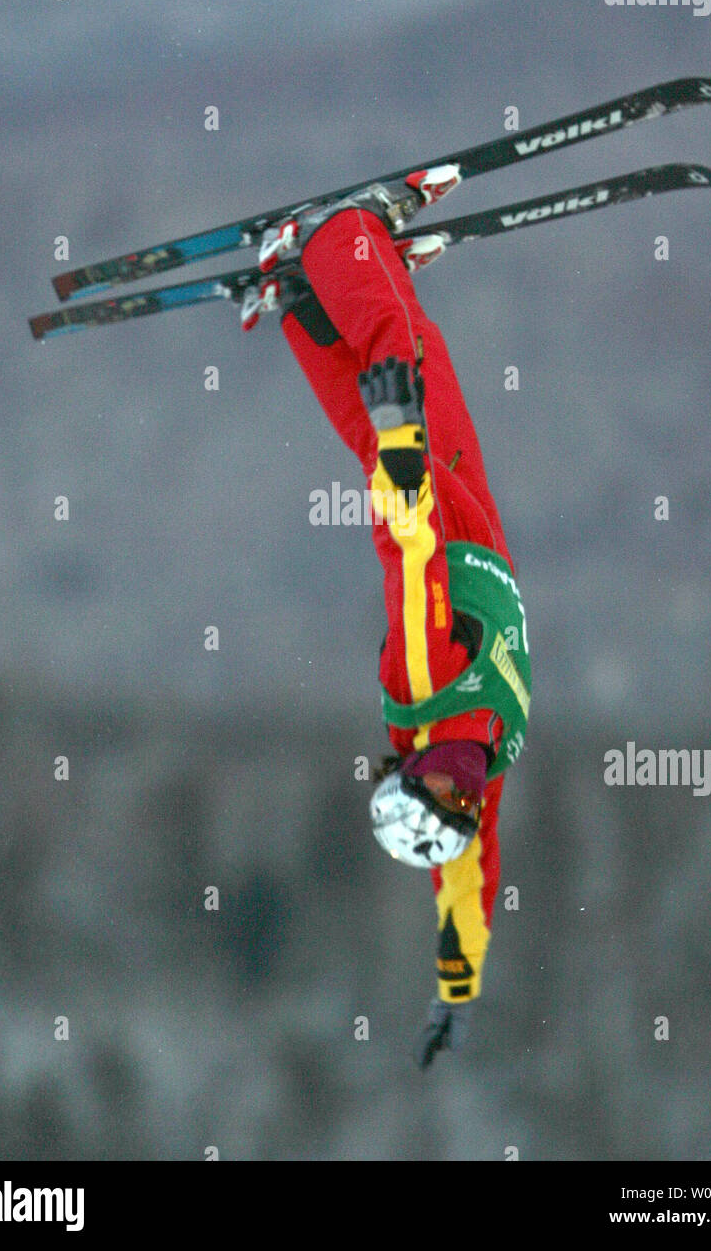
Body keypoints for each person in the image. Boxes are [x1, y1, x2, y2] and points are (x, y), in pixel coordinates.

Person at [251, 180, 531, 1067]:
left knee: (407, 355)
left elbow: (408, 561)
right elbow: (467, 883)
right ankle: (298, 296)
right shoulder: (474, 775)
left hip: (432, 508)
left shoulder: (425, 692)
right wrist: (459, 982)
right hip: (472, 524)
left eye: (438, 795)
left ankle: (337, 238)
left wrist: (403, 451)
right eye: (458, 808)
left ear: (410, 772)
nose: (462, 796)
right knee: (375, 393)